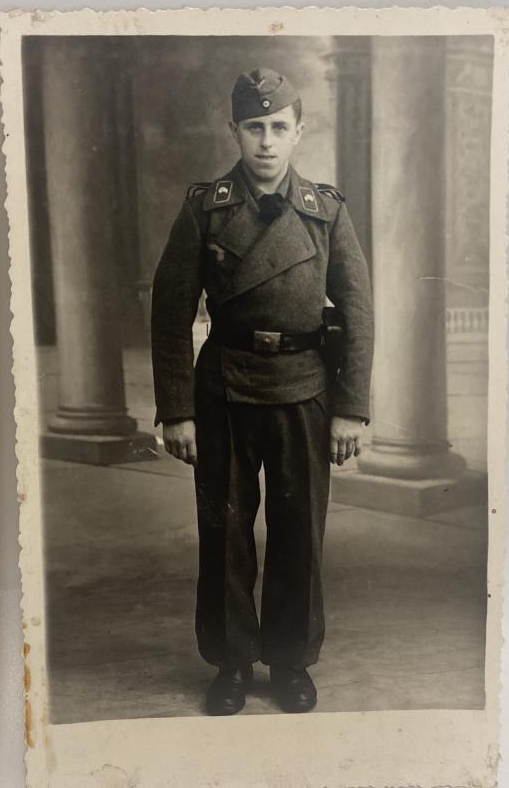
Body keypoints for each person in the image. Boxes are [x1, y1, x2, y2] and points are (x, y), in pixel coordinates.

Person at [151, 67, 373, 716]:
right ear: (235, 132)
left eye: (279, 127)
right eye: (255, 128)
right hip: (224, 389)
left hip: (305, 388)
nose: (267, 142)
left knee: (299, 531)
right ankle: (231, 664)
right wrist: (177, 411)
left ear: (299, 132)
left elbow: (358, 312)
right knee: (224, 534)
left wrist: (350, 409)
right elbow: (169, 316)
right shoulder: (205, 207)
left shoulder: (326, 211)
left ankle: (290, 661)